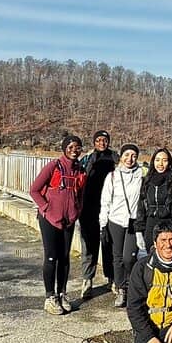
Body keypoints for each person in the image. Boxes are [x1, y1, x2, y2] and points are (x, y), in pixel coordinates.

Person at [30, 134, 86, 315]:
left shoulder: (79, 169)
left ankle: (62, 293)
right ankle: (50, 297)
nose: (74, 151)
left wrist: (76, 211)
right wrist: (46, 208)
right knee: (52, 257)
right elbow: (34, 190)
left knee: (64, 258)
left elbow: (80, 194)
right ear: (64, 149)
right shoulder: (54, 166)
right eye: (70, 147)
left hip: (68, 220)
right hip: (49, 219)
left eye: (77, 147)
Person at [99, 143, 144, 308]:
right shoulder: (112, 176)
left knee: (129, 257)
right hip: (115, 220)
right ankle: (121, 289)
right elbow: (105, 202)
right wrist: (103, 225)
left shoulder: (142, 174)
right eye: (126, 155)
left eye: (133, 155)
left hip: (134, 221)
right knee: (117, 258)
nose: (130, 159)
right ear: (121, 157)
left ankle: (133, 287)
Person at [79, 130, 116, 298]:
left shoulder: (116, 157)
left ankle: (112, 278)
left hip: (110, 208)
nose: (102, 143)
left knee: (109, 244)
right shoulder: (87, 159)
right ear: (94, 142)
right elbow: (77, 178)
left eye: (105, 140)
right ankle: (87, 279)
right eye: (99, 140)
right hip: (89, 208)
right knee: (89, 246)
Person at [135, 147, 172, 254]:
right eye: (157, 160)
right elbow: (141, 206)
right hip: (150, 224)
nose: (160, 164)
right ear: (153, 161)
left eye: (164, 160)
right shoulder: (146, 181)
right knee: (152, 256)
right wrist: (139, 230)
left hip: (168, 223)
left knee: (167, 255)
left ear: (169, 163)